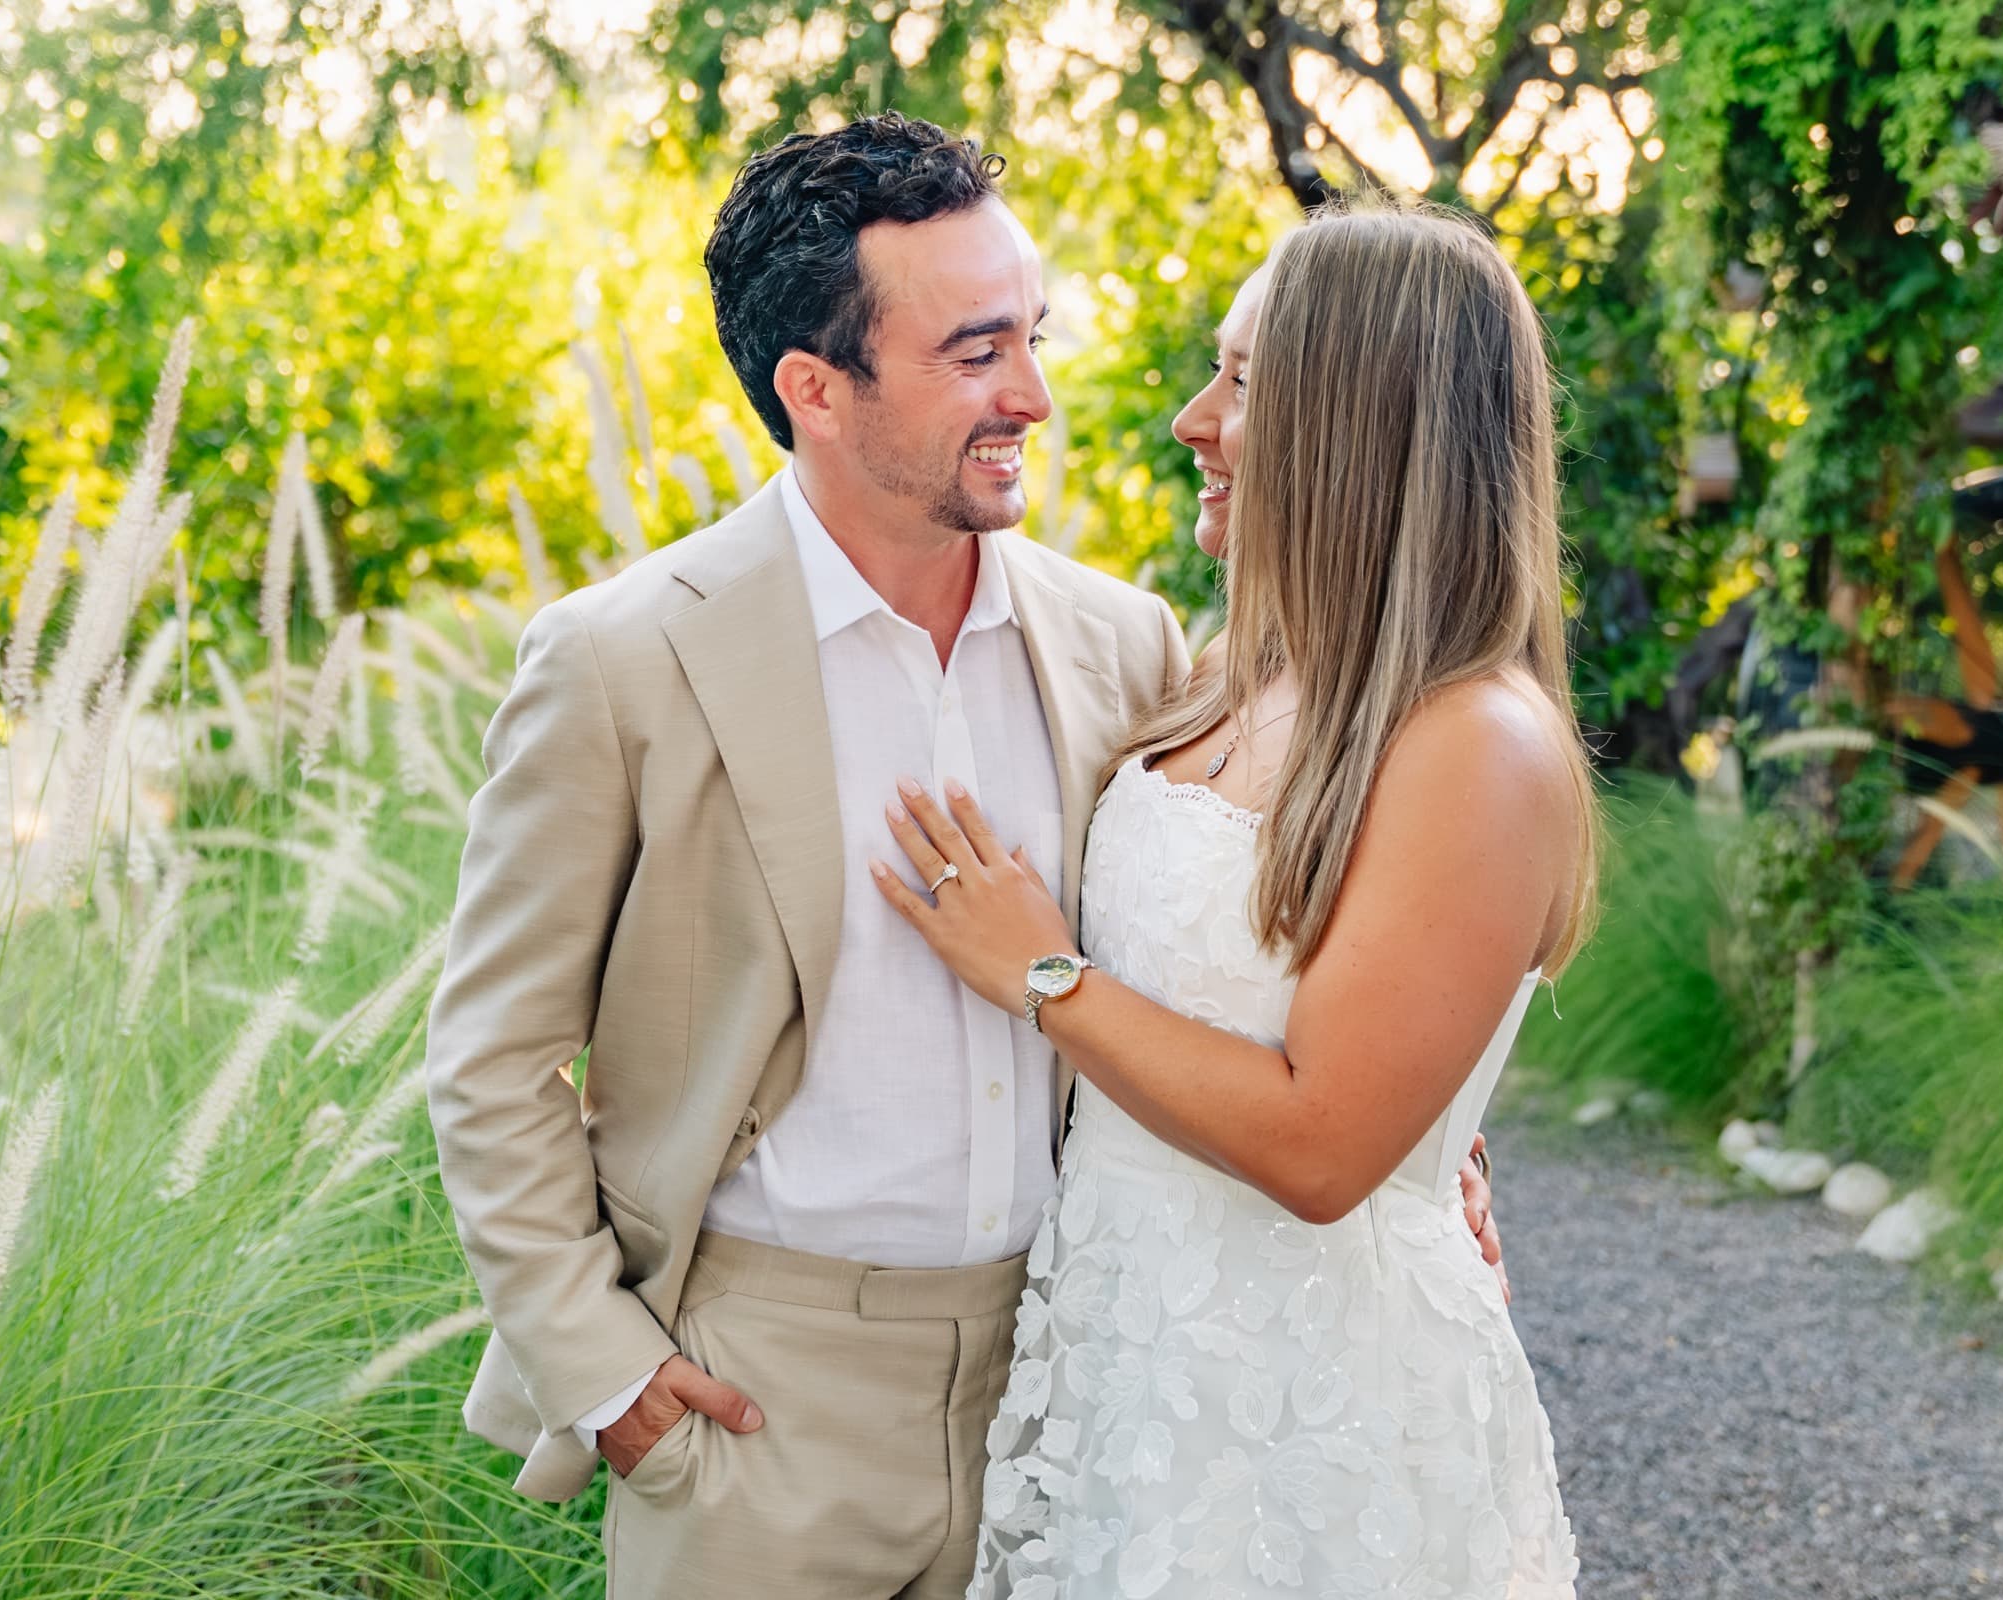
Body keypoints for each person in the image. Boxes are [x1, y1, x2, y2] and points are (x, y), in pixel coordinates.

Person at [422, 114, 1503, 1600]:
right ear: (817, 387)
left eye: (1033, 338)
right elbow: (492, 1058)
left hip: (1077, 1387)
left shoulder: (1128, 648)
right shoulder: (623, 662)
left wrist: (1419, 1119)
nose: (1036, 398)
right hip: (757, 1401)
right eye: (977, 353)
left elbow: (1260, 932)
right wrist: (609, 1378)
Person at [872, 199, 1595, 1596]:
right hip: (1137, 1372)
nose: (1196, 418)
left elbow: (1328, 1149)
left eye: (1246, 381)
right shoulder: (1231, 676)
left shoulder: (1476, 741)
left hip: (1316, 1414)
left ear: (1360, 420)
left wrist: (1044, 977)